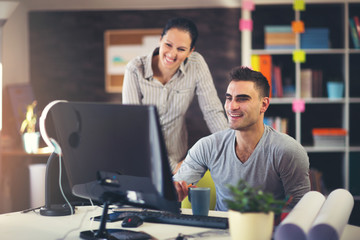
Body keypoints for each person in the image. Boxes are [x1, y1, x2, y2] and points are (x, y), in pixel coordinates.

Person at [173, 66, 310, 211]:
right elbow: (172, 189)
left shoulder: (288, 151)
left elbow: (301, 210)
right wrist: (174, 191)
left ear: (263, 104)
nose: (232, 106)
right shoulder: (207, 146)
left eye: (242, 99)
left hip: (267, 231)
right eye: (229, 98)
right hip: (219, 231)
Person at [122, 17, 228, 172]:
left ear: (191, 52)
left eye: (181, 49)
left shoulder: (196, 64)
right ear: (160, 40)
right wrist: (173, 167)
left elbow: (212, 111)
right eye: (168, 45)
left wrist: (231, 147)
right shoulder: (135, 69)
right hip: (142, 160)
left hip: (179, 157)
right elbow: (134, 126)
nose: (172, 54)